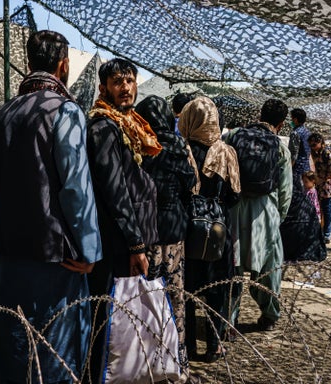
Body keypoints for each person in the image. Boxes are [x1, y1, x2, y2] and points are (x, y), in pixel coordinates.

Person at [0, 30, 102, 383]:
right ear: (64, 65)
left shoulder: (3, 113)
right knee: (53, 351)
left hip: (5, 249)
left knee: (13, 344)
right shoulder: (65, 110)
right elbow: (76, 188)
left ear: (30, 63)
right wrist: (90, 249)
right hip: (53, 256)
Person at [85, 58, 161, 380]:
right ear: (104, 88)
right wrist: (135, 243)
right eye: (118, 82)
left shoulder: (129, 125)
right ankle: (99, 374)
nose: (126, 87)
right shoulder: (104, 127)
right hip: (115, 240)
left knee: (125, 314)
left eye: (130, 80)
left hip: (128, 237)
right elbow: (115, 191)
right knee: (109, 316)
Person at [135, 95, 197, 375]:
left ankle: (143, 361)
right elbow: (190, 183)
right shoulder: (176, 144)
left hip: (144, 232)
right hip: (172, 231)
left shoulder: (138, 144)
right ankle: (175, 361)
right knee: (173, 297)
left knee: (144, 298)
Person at [178, 96, 241, 363]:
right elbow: (235, 196)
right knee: (216, 290)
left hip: (189, 231)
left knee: (188, 293)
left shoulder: (182, 149)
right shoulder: (226, 152)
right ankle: (214, 346)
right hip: (218, 230)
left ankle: (188, 346)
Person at [226, 99, 292, 332]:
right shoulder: (280, 146)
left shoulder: (233, 136)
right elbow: (286, 191)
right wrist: (277, 219)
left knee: (231, 269)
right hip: (265, 212)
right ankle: (269, 315)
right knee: (267, 269)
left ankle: (228, 320)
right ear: (281, 124)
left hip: (234, 207)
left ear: (259, 114)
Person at [308, 132, 331, 244]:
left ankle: (327, 234)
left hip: (327, 184)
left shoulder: (326, 152)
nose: (312, 147)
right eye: (311, 145)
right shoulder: (315, 152)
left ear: (321, 142)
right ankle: (321, 231)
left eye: (314, 144)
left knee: (327, 209)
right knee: (320, 208)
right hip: (320, 184)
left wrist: (325, 178)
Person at [289, 108, 311, 185]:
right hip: (306, 167)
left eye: (291, 118)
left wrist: (289, 169)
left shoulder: (295, 133)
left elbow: (293, 154)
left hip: (297, 169)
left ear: (295, 119)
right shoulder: (308, 132)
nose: (291, 120)